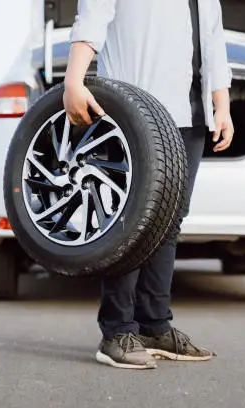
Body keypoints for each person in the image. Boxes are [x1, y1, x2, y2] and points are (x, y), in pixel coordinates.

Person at [63, 0, 234, 369]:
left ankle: (154, 325)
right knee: (130, 219)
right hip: (136, 109)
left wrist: (222, 104)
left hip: (191, 114)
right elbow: (92, 16)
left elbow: (213, 40)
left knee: (169, 220)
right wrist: (73, 80)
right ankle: (117, 330)